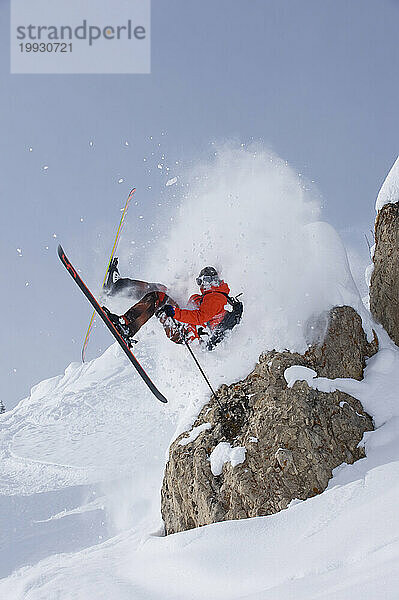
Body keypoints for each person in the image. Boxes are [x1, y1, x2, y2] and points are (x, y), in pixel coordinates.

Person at [102, 261, 241, 349]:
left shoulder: (215, 297)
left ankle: (125, 322)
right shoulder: (203, 298)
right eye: (199, 281)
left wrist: (174, 312)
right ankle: (122, 299)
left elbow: (200, 317)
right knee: (160, 291)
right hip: (187, 331)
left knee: (159, 296)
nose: (202, 285)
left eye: (205, 281)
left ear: (213, 280)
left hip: (189, 334)